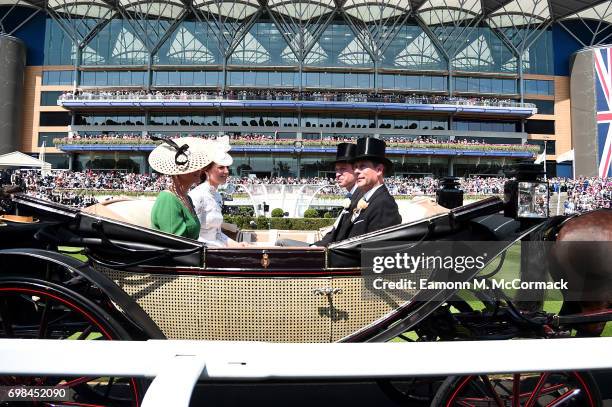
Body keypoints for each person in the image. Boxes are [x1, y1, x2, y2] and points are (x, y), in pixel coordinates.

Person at [189, 137, 248, 247]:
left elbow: (218, 233)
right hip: (203, 252)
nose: (226, 171)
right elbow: (193, 235)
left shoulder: (217, 196)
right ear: (207, 171)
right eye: (221, 167)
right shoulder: (197, 195)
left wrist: (237, 245)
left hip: (216, 248)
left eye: (227, 167)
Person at [149, 137, 211, 239]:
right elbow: (175, 242)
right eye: (190, 165)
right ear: (177, 171)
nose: (198, 169)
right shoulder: (168, 199)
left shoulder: (186, 198)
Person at [346, 137, 402, 239]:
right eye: (355, 167)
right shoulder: (363, 198)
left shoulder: (384, 204)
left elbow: (376, 251)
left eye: (362, 166)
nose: (356, 171)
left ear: (379, 170)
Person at [313, 142, 364, 246]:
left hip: (334, 253)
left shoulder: (361, 197)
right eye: (336, 170)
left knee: (281, 243)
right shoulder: (352, 195)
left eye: (343, 169)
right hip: (326, 247)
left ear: (356, 171)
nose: (337, 174)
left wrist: (315, 247)